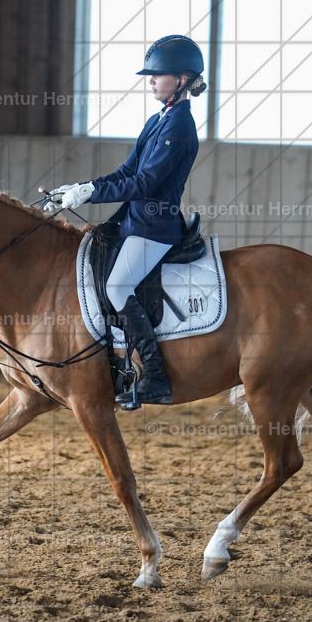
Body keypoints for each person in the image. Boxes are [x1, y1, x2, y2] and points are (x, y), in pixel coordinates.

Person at [48, 34, 206, 407]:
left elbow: (145, 183)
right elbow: (126, 171)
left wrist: (90, 194)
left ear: (182, 79)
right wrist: (82, 187)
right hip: (134, 222)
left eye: (158, 75)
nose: (151, 81)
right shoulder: (159, 119)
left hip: (155, 227)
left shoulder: (180, 124)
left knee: (118, 287)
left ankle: (156, 377)